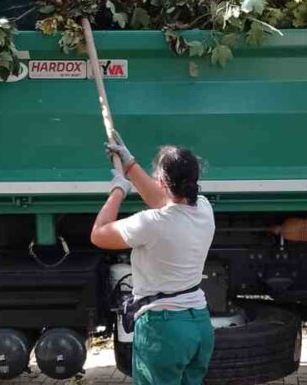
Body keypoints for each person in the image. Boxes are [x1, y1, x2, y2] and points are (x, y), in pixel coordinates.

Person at [90, 131, 216, 385]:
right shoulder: (204, 208)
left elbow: (98, 235)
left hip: (163, 331)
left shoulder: (151, 224)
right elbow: (163, 200)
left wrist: (118, 189)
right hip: (199, 325)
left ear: (161, 181)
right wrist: (130, 165)